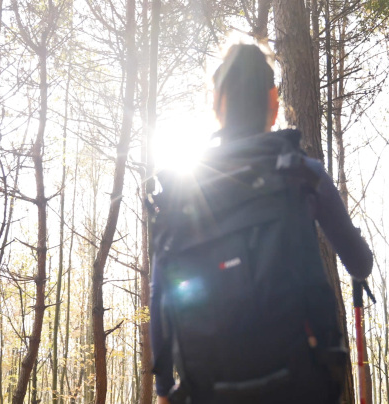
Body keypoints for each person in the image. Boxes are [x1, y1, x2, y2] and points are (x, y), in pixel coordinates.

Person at [150, 43, 373, 404]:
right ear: (273, 102)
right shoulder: (304, 174)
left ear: (216, 104)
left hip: (208, 389)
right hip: (301, 385)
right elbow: (360, 263)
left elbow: (161, 292)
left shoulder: (183, 190)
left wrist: (163, 389)